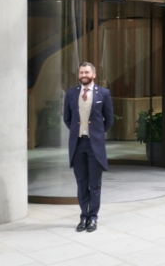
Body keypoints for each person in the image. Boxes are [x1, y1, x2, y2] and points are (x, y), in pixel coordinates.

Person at [63, 62, 114, 232]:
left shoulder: (104, 93)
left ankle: (93, 217)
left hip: (95, 145)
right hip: (77, 144)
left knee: (95, 183)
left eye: (86, 72)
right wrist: (78, 131)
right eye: (81, 72)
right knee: (81, 183)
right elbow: (67, 118)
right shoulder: (71, 93)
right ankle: (83, 216)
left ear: (93, 75)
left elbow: (109, 119)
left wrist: (96, 133)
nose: (83, 74)